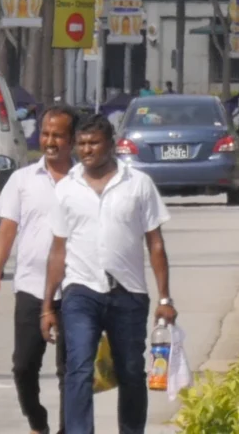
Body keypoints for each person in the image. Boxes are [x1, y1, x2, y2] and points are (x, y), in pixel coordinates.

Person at [43, 113, 174, 434]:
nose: (87, 150)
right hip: (80, 292)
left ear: (111, 145)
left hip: (128, 293)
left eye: (94, 143)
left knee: (130, 371)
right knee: (79, 369)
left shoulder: (138, 184)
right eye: (82, 144)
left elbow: (155, 243)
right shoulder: (66, 189)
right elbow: (58, 250)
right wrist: (47, 305)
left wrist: (165, 297)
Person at [0, 106, 80, 434]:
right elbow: (7, 228)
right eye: (45, 134)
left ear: (72, 140)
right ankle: (38, 424)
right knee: (24, 366)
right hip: (31, 287)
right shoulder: (22, 180)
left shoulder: (85, 181)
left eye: (58, 135)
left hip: (77, 289)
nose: (50, 141)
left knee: (71, 371)